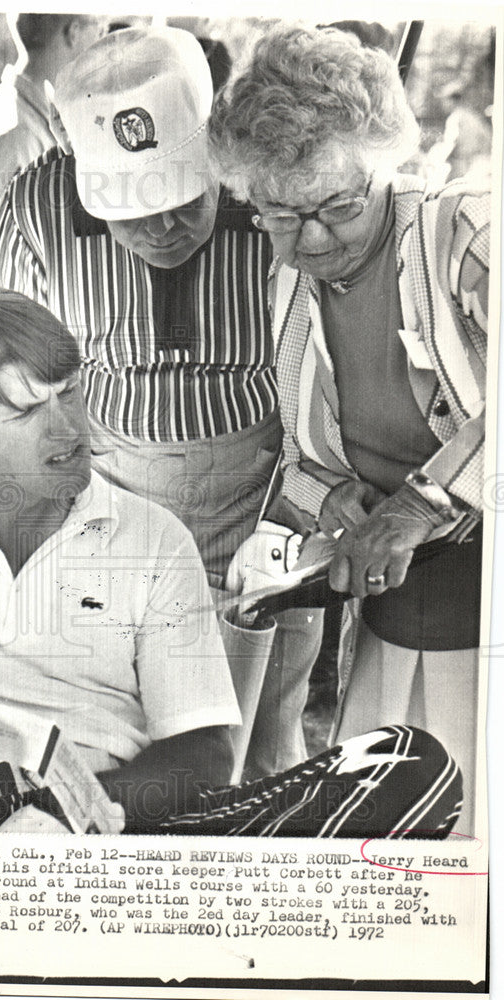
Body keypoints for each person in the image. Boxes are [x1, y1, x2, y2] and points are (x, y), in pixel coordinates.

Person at [0, 287, 462, 837]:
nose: (69, 429)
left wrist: (55, 805)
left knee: (412, 764)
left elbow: (204, 749)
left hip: (102, 817)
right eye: (28, 411)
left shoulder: (151, 538)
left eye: (70, 393)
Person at [0, 24, 322, 778]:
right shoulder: (35, 206)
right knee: (126, 746)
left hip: (267, 500)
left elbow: (327, 380)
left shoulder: (267, 179)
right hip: (108, 507)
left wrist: (290, 517)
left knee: (261, 747)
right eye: (131, 211)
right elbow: (5, 376)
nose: (163, 228)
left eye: (183, 201)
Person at [209, 23, 488, 833]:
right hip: (395, 621)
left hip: (489, 611)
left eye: (339, 206)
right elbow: (304, 455)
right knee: (391, 831)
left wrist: (419, 505)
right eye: (281, 216)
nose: (314, 240)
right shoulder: (289, 288)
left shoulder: (469, 234)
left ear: (387, 163)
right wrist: (335, 503)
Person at [0, 13, 107, 271]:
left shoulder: (26, 111)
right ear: (73, 32)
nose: (102, 41)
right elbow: (11, 260)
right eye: (99, 28)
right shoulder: (15, 131)